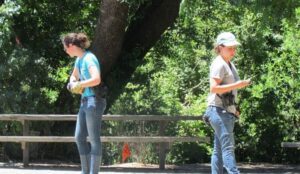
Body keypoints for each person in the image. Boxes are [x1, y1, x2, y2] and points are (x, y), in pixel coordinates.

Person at [204, 32, 251, 174]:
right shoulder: (219, 64)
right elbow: (213, 88)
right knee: (228, 148)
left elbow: (227, 92)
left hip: (224, 111)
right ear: (220, 47)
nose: (233, 51)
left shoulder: (228, 63)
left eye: (234, 48)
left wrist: (234, 109)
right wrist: (238, 85)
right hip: (218, 111)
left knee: (219, 150)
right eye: (230, 48)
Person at [61, 32, 106, 174]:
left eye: (65, 48)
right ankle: (85, 171)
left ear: (71, 46)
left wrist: (79, 84)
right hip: (85, 102)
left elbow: (96, 79)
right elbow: (73, 76)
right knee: (79, 137)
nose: (65, 51)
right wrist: (73, 82)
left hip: (94, 101)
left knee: (94, 139)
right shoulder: (79, 60)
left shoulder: (89, 58)